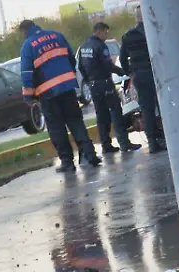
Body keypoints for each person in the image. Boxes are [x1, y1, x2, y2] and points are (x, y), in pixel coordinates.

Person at [19, 20, 101, 172]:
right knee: (76, 122)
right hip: (67, 88)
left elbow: (26, 74)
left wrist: (29, 97)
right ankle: (90, 154)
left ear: (24, 31)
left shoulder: (28, 46)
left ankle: (67, 162)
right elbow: (72, 59)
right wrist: (68, 76)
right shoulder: (57, 35)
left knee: (57, 128)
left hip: (47, 93)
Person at [79, 22, 142, 155]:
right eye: (105, 33)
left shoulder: (84, 46)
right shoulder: (100, 46)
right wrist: (124, 71)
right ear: (100, 31)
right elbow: (108, 66)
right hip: (105, 83)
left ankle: (106, 145)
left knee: (101, 116)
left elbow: (80, 67)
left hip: (93, 85)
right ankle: (124, 143)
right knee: (116, 113)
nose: (106, 35)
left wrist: (89, 80)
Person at [121, 8, 166, 153]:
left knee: (147, 109)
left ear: (136, 18)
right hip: (155, 73)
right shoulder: (153, 31)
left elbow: (122, 59)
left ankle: (152, 142)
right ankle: (166, 136)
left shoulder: (127, 36)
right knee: (163, 105)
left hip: (139, 76)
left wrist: (130, 73)